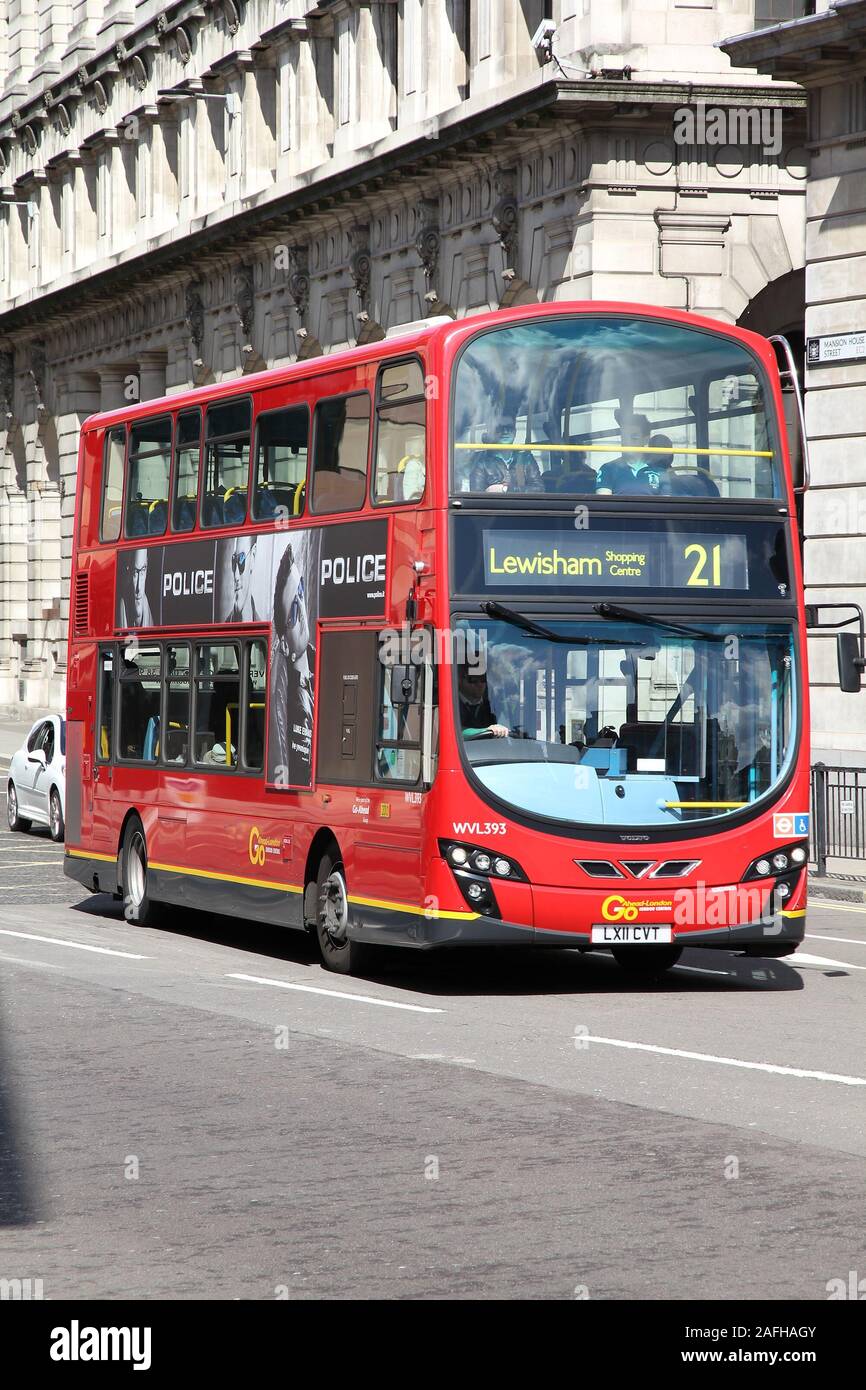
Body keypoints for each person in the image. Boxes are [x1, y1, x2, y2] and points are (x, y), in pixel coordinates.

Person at [270, 542, 314, 784]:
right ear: (284, 644)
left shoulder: (324, 668)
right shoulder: (291, 706)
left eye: (301, 591)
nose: (303, 608)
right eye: (294, 610)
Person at [458, 667, 508, 738]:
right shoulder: (451, 704)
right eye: (473, 680)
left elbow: (506, 729)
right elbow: (454, 731)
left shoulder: (493, 705)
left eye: (483, 679)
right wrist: (487, 730)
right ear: (460, 680)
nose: (479, 684)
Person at [223, 535, 259, 623]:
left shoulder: (262, 625)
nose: (236, 576)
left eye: (241, 560)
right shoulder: (223, 628)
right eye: (233, 562)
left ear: (253, 556)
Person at [118, 547, 154, 628]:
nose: (138, 588)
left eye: (143, 571)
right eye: (135, 573)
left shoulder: (150, 620)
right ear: (129, 572)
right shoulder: (121, 609)